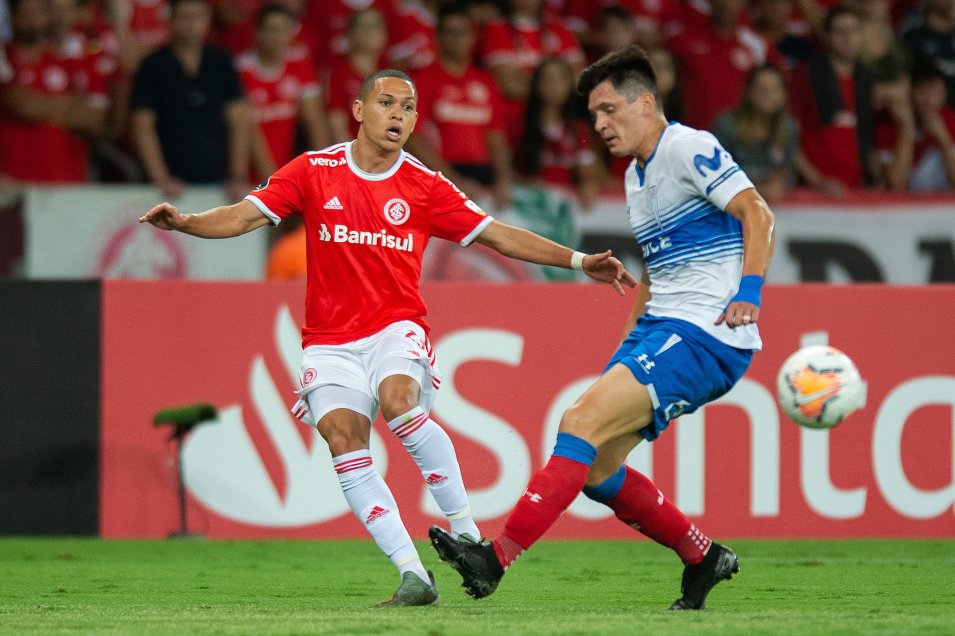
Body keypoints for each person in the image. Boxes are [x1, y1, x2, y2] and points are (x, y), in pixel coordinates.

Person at [139, 68, 635, 606]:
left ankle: (468, 535)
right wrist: (185, 222)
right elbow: (241, 217)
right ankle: (413, 575)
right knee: (343, 441)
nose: (398, 114)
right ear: (358, 110)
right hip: (328, 341)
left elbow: (497, 235)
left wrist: (580, 259)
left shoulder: (424, 185)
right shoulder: (314, 170)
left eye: (408, 107)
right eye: (387, 103)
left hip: (396, 328)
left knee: (400, 403)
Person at [429, 45, 775, 611]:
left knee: (578, 420)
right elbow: (656, 276)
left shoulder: (688, 146)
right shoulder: (638, 179)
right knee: (598, 467)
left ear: (646, 101)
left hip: (708, 331)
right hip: (665, 325)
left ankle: (494, 560)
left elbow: (758, 214)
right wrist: (625, 350)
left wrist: (750, 292)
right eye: (593, 115)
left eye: (609, 110)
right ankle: (703, 556)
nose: (600, 124)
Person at [129, 0, 252, 201]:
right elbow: (142, 125)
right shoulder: (152, 65)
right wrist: (161, 178)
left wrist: (237, 175)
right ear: (170, 20)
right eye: (184, 17)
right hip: (166, 186)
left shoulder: (221, 62)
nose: (191, 24)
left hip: (218, 181)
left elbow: (239, 121)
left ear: (207, 21)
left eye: (197, 17)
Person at [407, 2, 513, 209]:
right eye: (451, 33)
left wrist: (504, 179)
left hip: (483, 178)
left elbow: (496, 136)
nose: (457, 40)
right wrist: (452, 180)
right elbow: (414, 138)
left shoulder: (486, 82)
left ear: (473, 37)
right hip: (441, 177)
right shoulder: (423, 80)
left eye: (463, 32)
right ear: (438, 37)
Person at [235, 3, 330, 181]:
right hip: (248, 181)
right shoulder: (240, 70)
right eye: (272, 30)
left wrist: (323, 170)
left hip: (285, 173)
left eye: (284, 30)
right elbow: (249, 129)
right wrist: (273, 180)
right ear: (257, 32)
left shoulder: (299, 64)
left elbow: (314, 120)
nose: (278, 37)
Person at [790, 3, 875, 194]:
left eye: (854, 31)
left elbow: (866, 138)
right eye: (840, 32)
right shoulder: (806, 75)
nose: (848, 39)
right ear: (827, 36)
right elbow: (788, 134)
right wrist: (817, 181)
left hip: (857, 190)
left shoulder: (866, 78)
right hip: (813, 192)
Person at [514, 57, 603, 210]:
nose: (554, 85)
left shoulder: (578, 129)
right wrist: (526, 184)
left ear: (569, 85)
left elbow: (587, 173)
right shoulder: (519, 125)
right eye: (548, 79)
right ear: (536, 84)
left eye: (560, 79)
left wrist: (589, 184)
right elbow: (505, 172)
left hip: (564, 211)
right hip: (528, 210)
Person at [712, 63, 799, 202]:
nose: (768, 95)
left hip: (775, 207)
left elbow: (788, 171)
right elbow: (713, 172)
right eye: (761, 89)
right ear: (748, 91)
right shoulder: (727, 125)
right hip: (730, 204)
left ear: (784, 94)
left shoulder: (789, 128)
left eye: (775, 89)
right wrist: (755, 188)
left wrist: (779, 182)